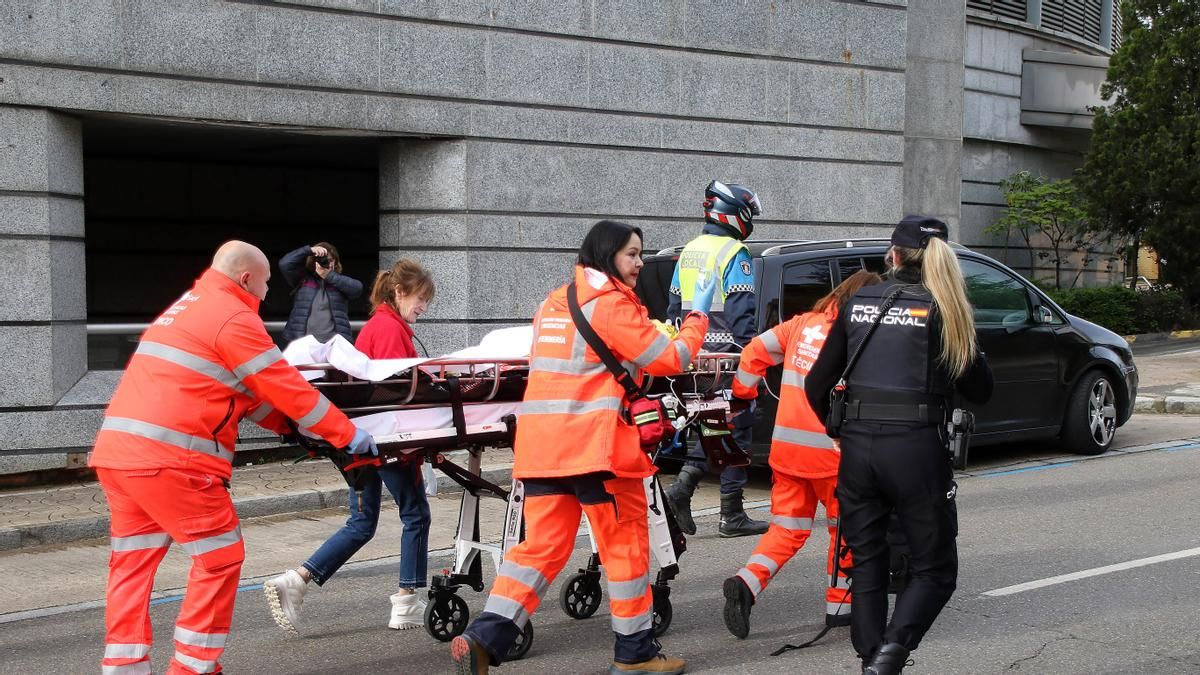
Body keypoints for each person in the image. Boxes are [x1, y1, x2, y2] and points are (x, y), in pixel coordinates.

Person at [90, 241, 377, 675]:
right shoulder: (233, 317)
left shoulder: (187, 308)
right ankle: (194, 668)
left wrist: (289, 429)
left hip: (120, 456)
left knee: (132, 564)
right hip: (175, 461)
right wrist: (346, 433)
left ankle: (124, 668)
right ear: (246, 279)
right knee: (219, 556)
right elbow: (286, 388)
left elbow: (244, 393)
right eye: (265, 283)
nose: (268, 292)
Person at [450, 220, 711, 675]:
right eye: (632, 254)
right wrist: (697, 318)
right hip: (597, 451)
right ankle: (635, 656)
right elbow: (670, 358)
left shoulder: (553, 303)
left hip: (542, 451)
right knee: (625, 547)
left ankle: (483, 639)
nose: (640, 263)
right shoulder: (610, 305)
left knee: (540, 549)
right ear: (608, 255)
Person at [805, 217, 994, 675]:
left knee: (867, 562)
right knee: (935, 569)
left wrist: (840, 429)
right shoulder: (946, 308)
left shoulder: (857, 301)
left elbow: (816, 384)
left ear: (893, 255)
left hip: (858, 450)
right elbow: (981, 390)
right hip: (916, 449)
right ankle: (888, 658)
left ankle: (871, 661)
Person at [264, 259, 436, 634]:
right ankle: (406, 601)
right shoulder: (390, 329)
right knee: (415, 513)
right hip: (386, 438)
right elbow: (396, 390)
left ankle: (296, 580)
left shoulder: (378, 325)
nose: (424, 306)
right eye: (421, 298)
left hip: (358, 439)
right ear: (400, 292)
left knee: (361, 523)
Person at [722, 270, 882, 639]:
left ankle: (747, 582)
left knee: (787, 530)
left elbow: (754, 352)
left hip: (787, 453)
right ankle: (840, 607)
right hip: (832, 457)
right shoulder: (859, 335)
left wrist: (743, 396)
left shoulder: (800, 324)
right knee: (845, 530)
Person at [665, 180, 769, 538]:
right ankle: (731, 513)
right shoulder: (734, 252)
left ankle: (683, 489)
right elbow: (742, 315)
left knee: (714, 426)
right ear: (734, 214)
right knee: (737, 427)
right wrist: (752, 359)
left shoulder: (689, 251)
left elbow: (673, 309)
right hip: (728, 359)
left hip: (693, 359)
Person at [279, 242, 363, 344]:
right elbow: (285, 264)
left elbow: (357, 289)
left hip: (333, 344)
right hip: (303, 343)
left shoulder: (339, 282)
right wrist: (309, 250)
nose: (327, 263)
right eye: (323, 260)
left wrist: (328, 276)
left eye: (330, 260)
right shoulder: (303, 278)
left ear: (336, 262)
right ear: (314, 262)